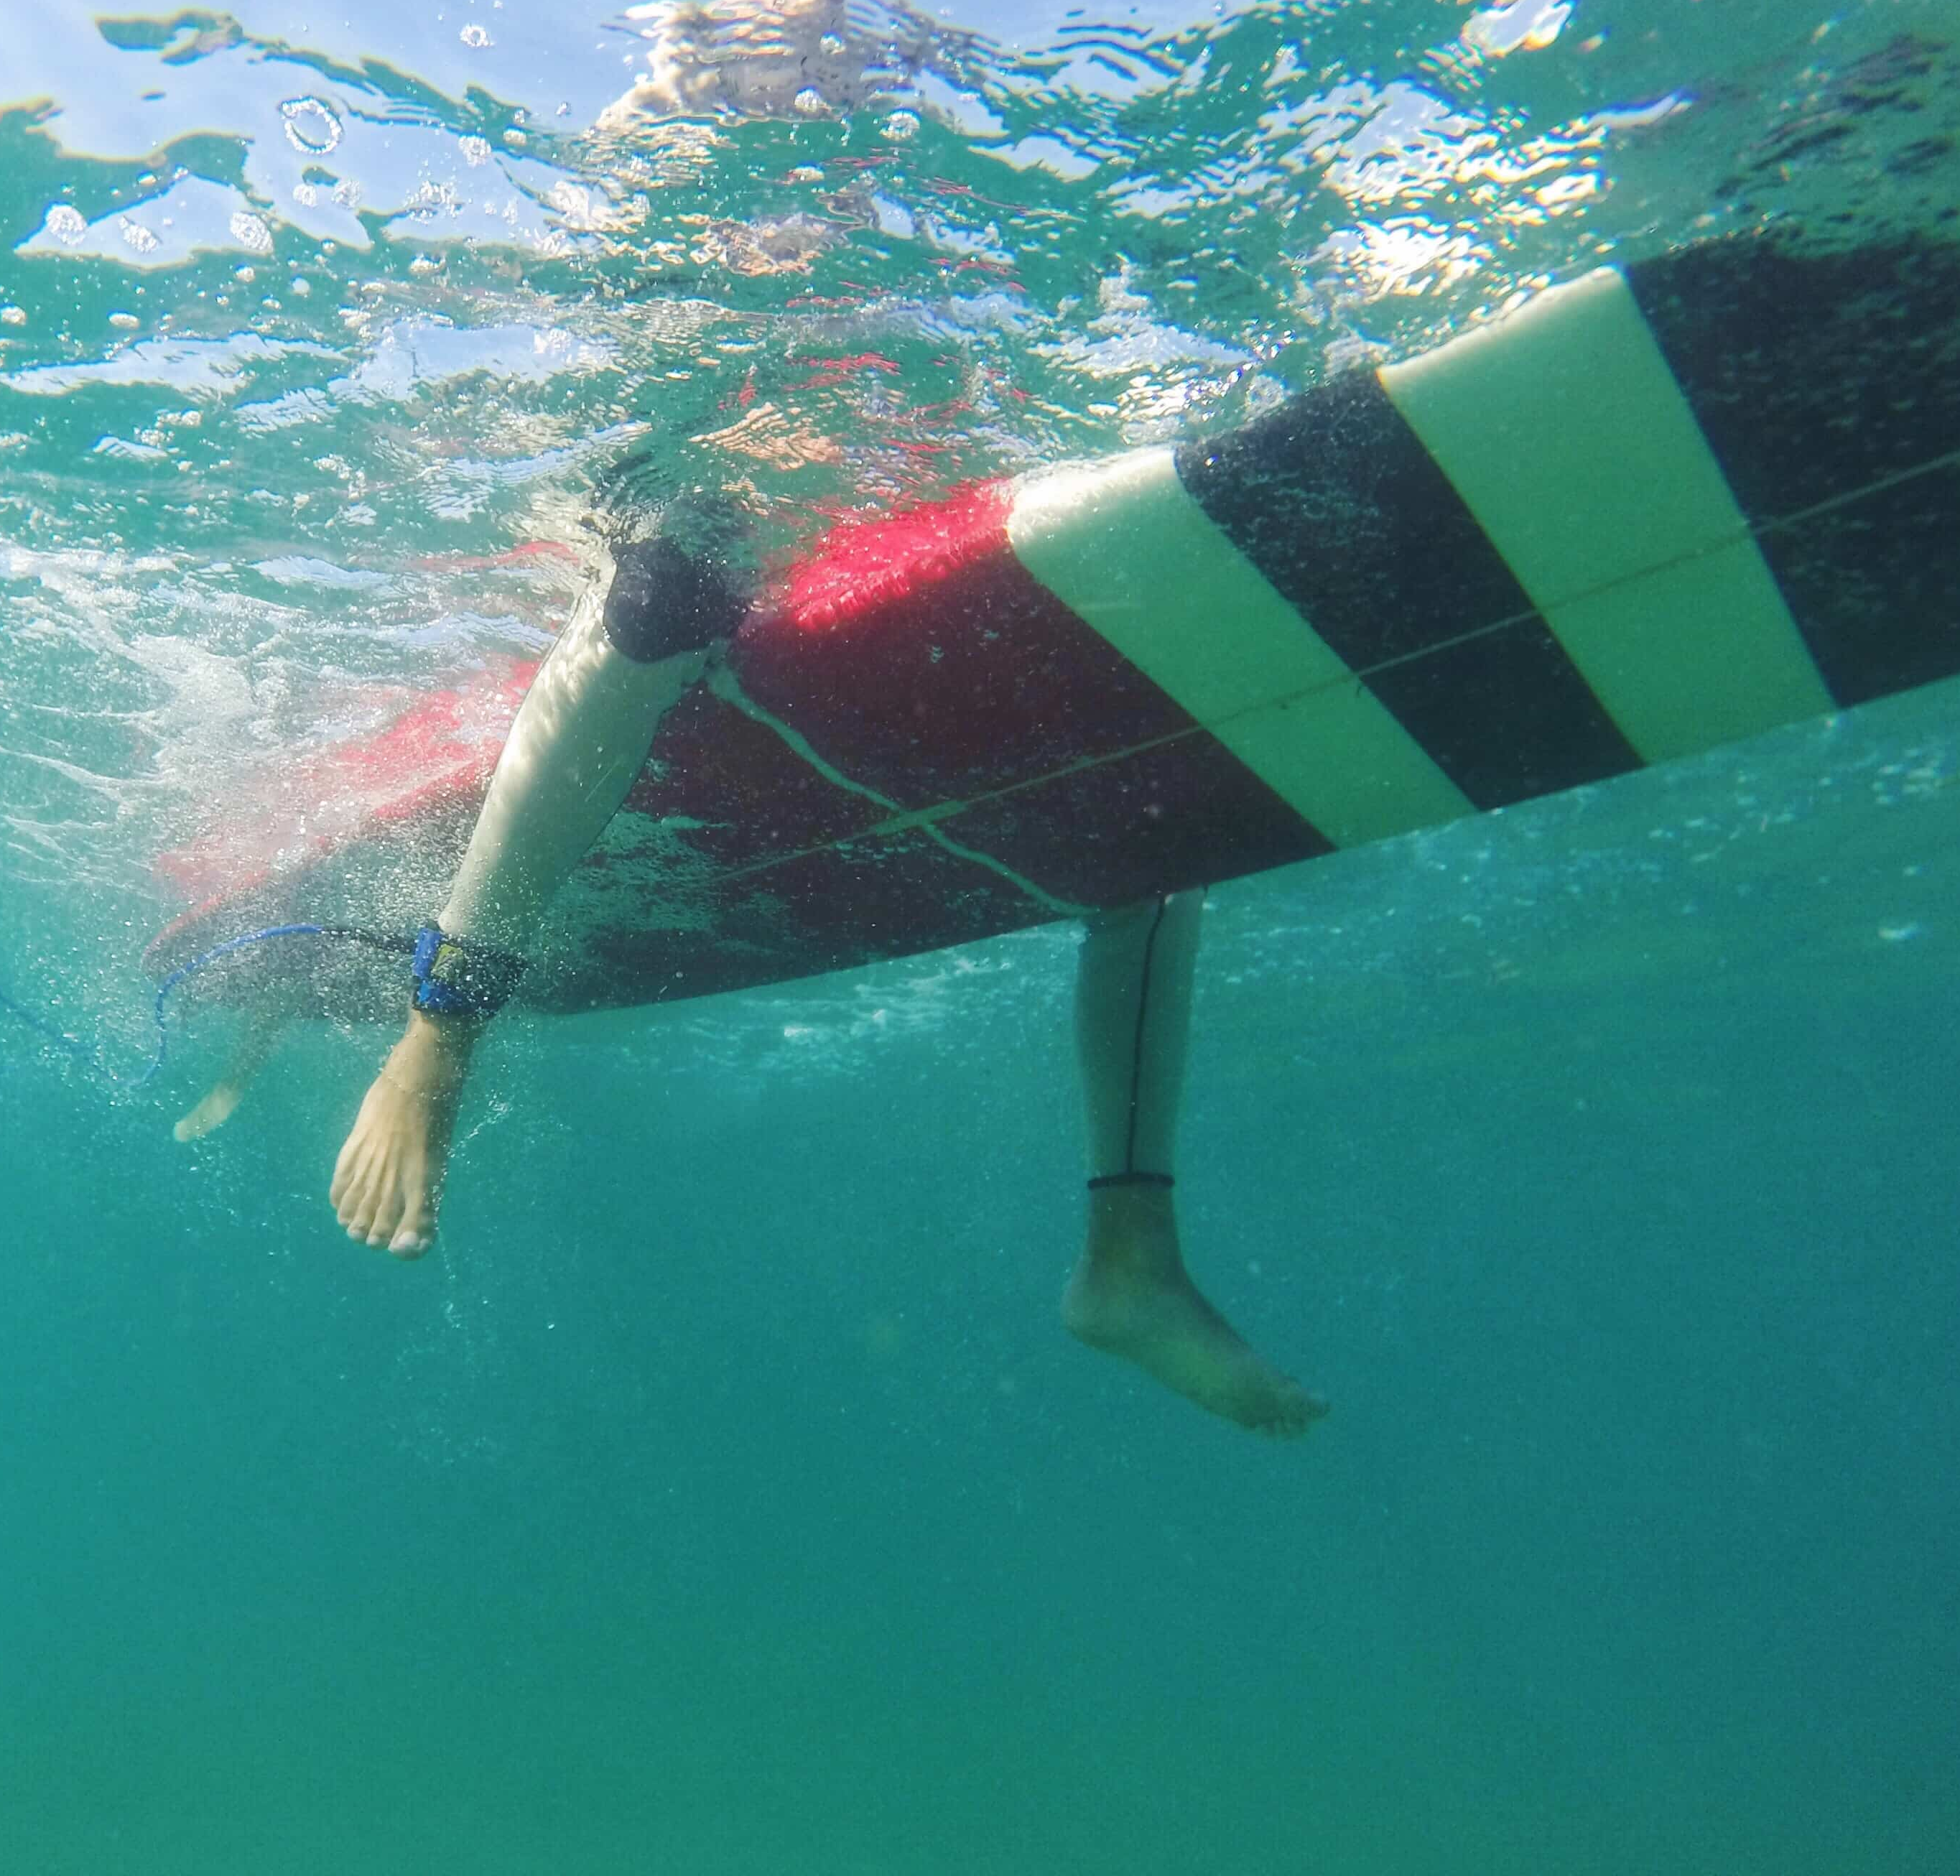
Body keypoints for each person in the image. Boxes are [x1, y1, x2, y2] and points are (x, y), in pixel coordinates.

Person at [325, 486, 1329, 1439]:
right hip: (681, 562)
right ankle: (440, 1031)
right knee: (672, 581)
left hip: (890, 549)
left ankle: (1132, 1257)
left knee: (1161, 797)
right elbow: (656, 591)